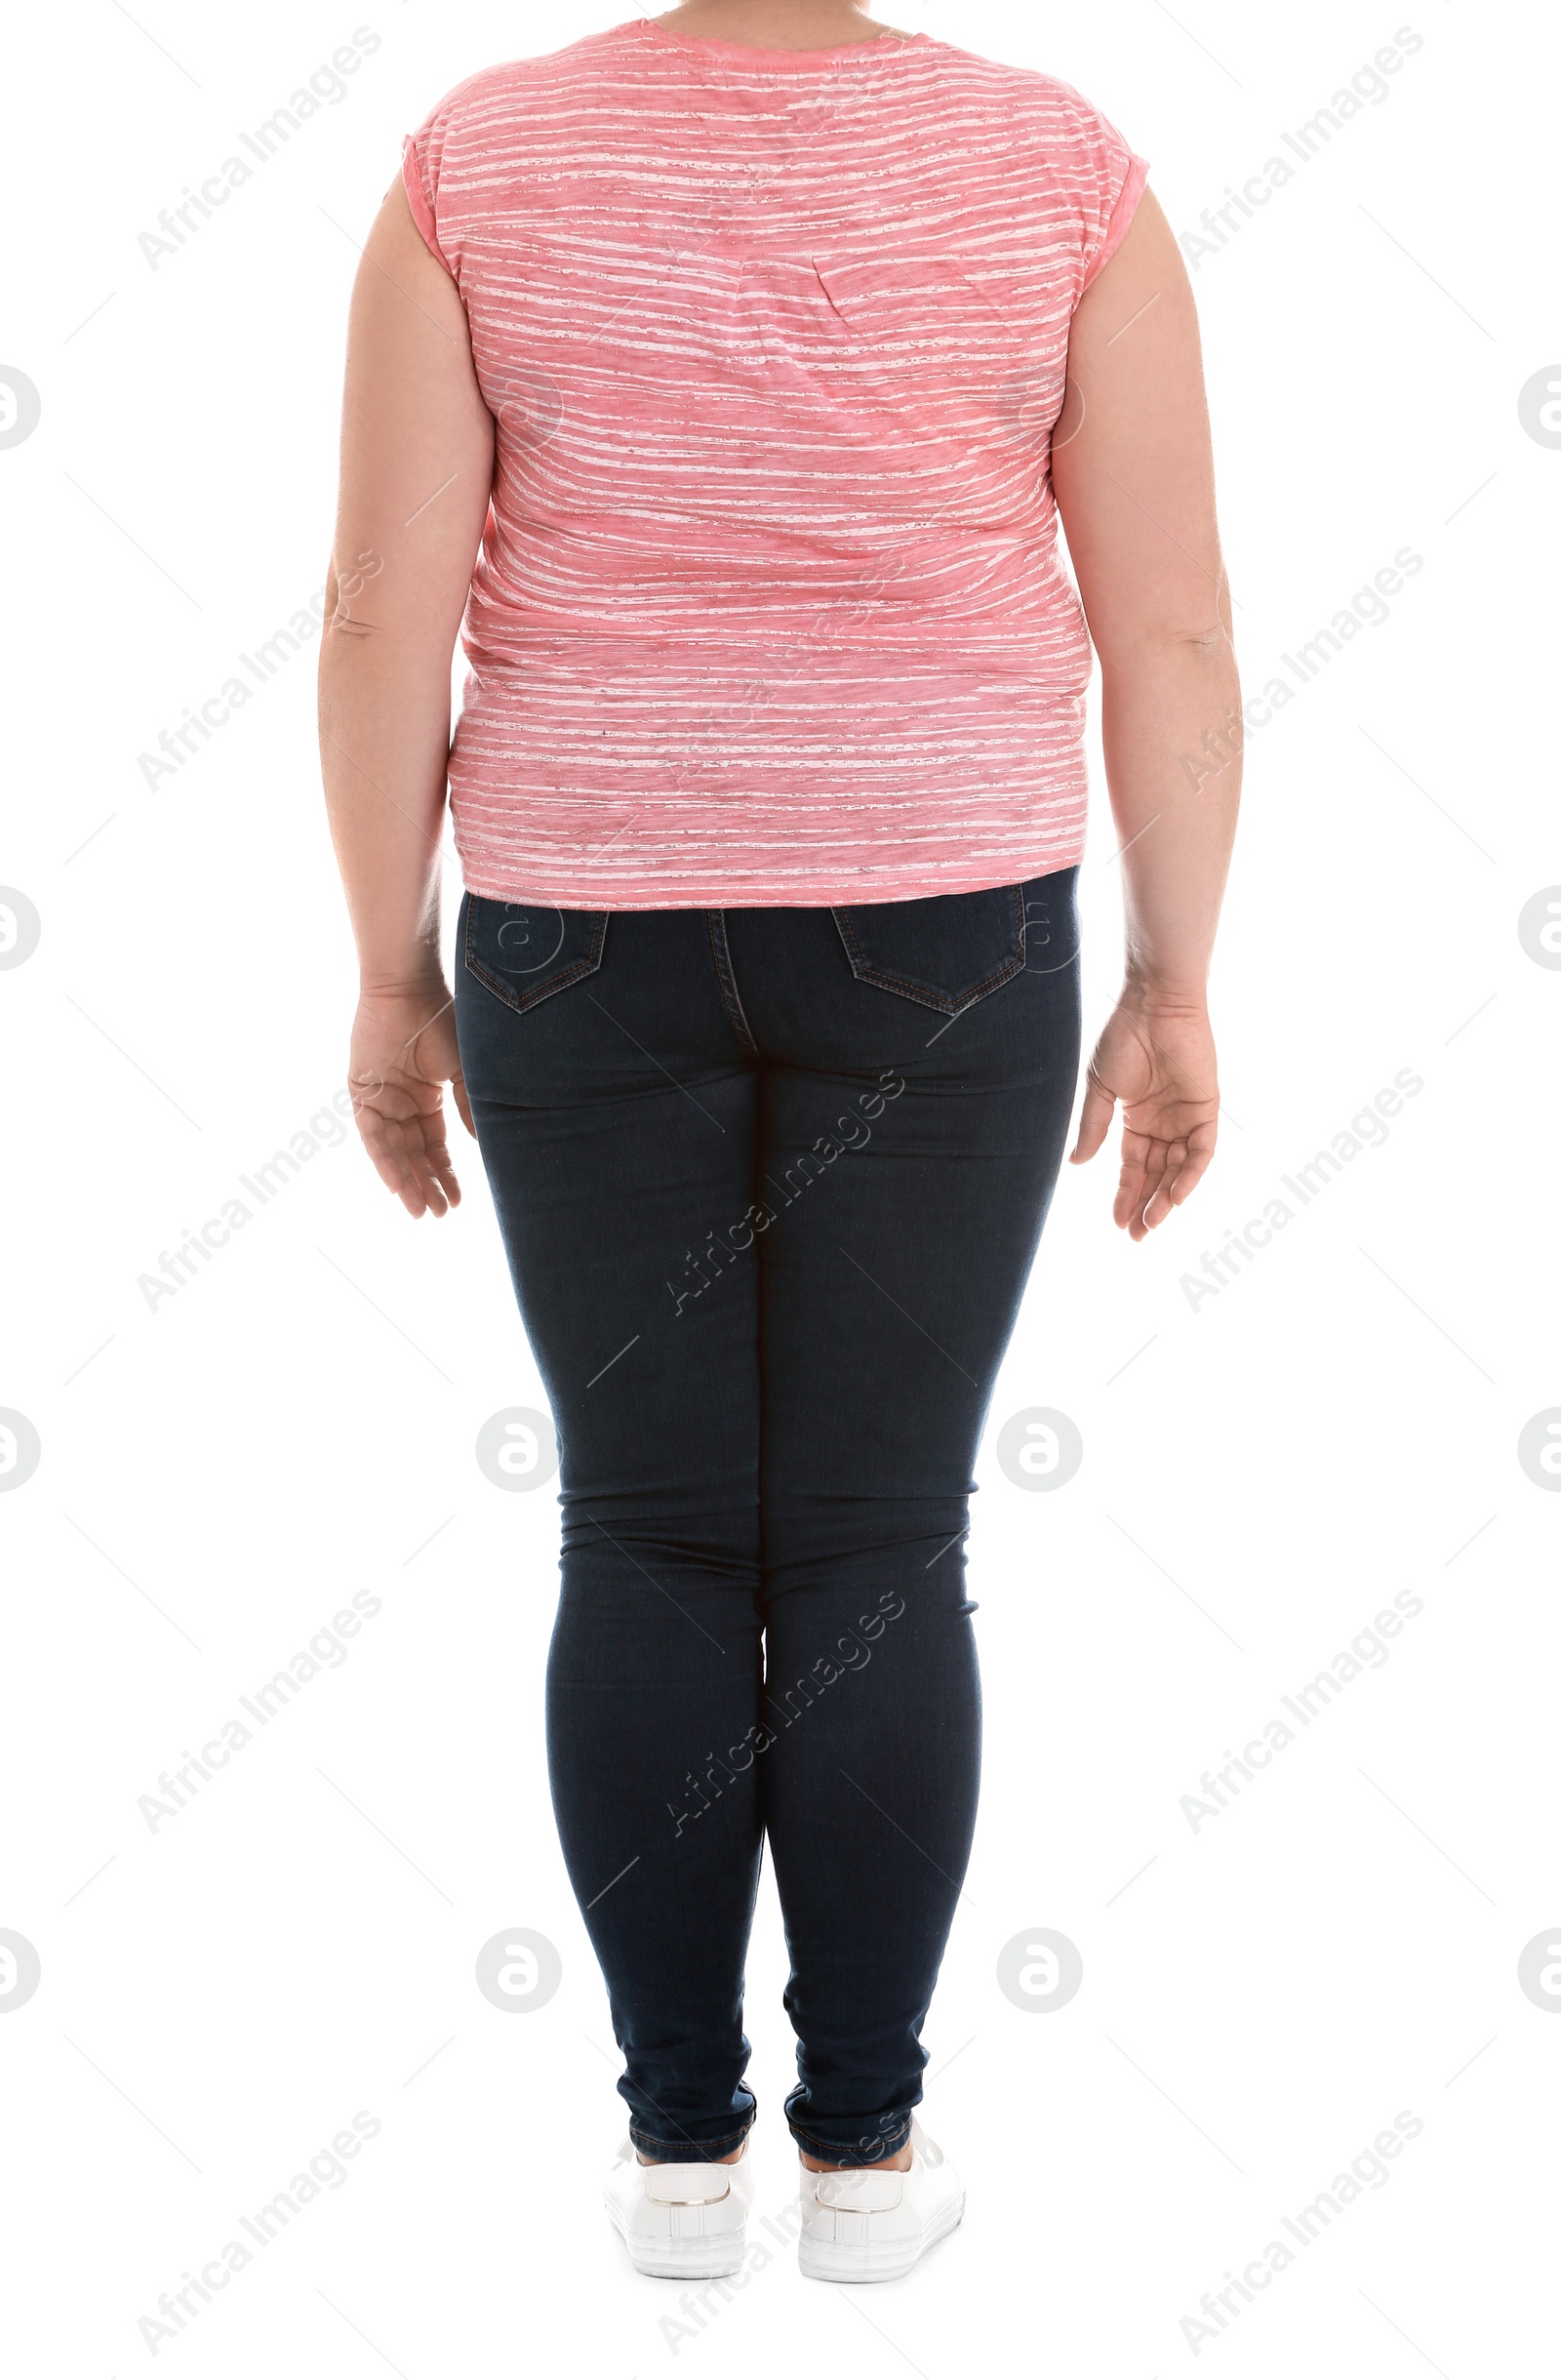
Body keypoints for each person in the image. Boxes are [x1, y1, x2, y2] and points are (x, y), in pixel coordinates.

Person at [318, 0, 1239, 2286]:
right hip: (939, 927)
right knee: (865, 1549)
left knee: (641, 1541)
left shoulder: (474, 159)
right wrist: (1176, 971)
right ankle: (859, 2154)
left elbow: (375, 617)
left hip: (572, 930)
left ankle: (667, 2158)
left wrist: (382, 964)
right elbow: (1172, 625)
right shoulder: (1056, 166)